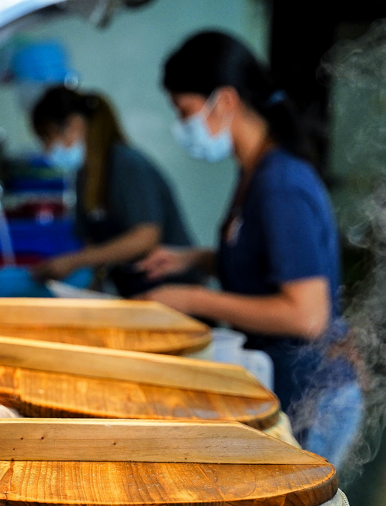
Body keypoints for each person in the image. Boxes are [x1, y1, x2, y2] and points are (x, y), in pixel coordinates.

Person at [136, 31, 360, 455]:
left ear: (224, 101)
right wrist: (195, 260)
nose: (183, 127)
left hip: (313, 397)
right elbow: (265, 263)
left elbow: (307, 314)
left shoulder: (279, 184)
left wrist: (190, 300)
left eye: (185, 112)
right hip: (282, 384)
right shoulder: (253, 172)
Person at [30, 86, 199, 297]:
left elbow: (145, 237)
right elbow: (92, 243)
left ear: (74, 126)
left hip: (172, 292)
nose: (47, 151)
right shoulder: (85, 176)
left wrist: (75, 261)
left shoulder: (126, 165)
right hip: (135, 293)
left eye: (48, 139)